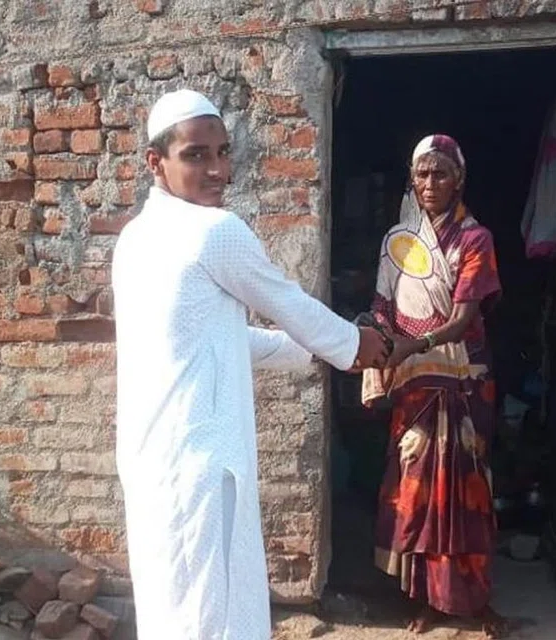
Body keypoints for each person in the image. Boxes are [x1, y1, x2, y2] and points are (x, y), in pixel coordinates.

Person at [112, 89, 392, 640]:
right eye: (196, 155)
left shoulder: (135, 238)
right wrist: (357, 346)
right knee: (210, 620)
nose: (218, 170)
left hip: (153, 463)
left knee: (173, 610)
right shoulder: (214, 232)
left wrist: (313, 350)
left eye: (223, 152)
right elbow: (290, 304)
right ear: (155, 162)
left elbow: (215, 338)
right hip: (202, 468)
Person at [363, 134, 505, 637]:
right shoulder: (397, 242)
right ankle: (426, 599)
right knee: (418, 488)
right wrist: (381, 335)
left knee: (463, 491)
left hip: (462, 378)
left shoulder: (475, 240)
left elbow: (464, 319)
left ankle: (470, 600)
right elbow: (382, 303)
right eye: (422, 174)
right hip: (412, 381)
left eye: (440, 173)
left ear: (459, 180)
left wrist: (412, 346)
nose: (430, 183)